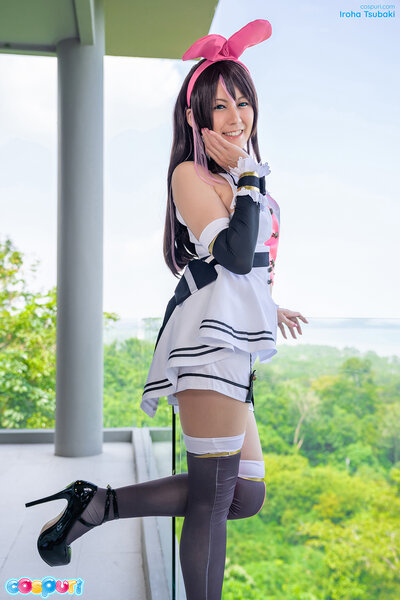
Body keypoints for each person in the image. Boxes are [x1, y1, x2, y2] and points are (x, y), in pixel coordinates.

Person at [25, 20, 308, 600]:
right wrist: (249, 175)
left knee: (245, 494)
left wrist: (270, 305)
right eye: (220, 105)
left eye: (243, 102)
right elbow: (231, 255)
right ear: (197, 118)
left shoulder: (238, 179)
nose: (235, 116)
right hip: (207, 345)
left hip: (236, 343)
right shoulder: (192, 175)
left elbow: (248, 268)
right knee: (211, 500)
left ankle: (96, 505)